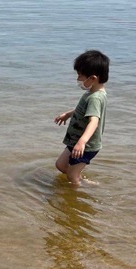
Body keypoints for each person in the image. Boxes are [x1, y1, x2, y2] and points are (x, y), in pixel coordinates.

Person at [54, 50, 110, 187]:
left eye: (80, 75)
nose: (78, 79)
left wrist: (82, 142)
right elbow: (83, 111)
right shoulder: (91, 92)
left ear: (92, 78)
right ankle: (80, 179)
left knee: (71, 175)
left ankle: (75, 197)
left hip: (85, 145)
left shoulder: (95, 98)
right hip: (76, 140)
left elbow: (94, 121)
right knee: (61, 165)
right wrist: (68, 114)